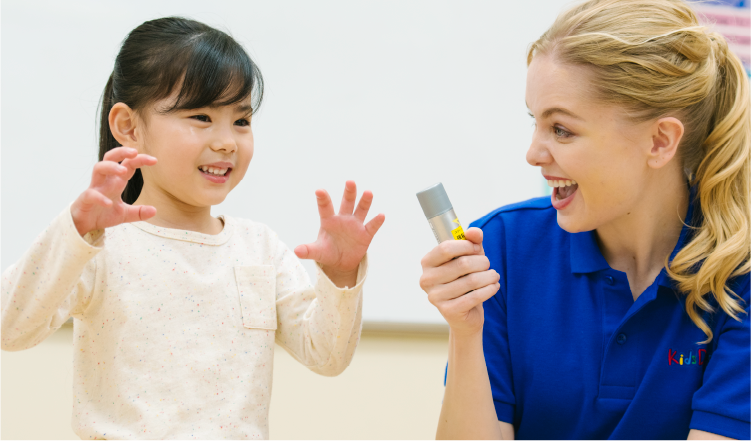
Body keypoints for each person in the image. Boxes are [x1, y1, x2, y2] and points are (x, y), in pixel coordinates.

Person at [0, 17, 384, 440]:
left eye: (241, 121)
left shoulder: (259, 248)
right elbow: (11, 329)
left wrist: (341, 275)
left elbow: (326, 354)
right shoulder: (101, 245)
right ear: (128, 126)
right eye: (201, 116)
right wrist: (75, 232)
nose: (227, 141)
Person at [419, 0, 751, 440]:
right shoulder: (501, 250)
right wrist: (465, 331)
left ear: (659, 141)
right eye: (535, 123)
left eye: (561, 130)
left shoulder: (738, 271)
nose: (533, 154)